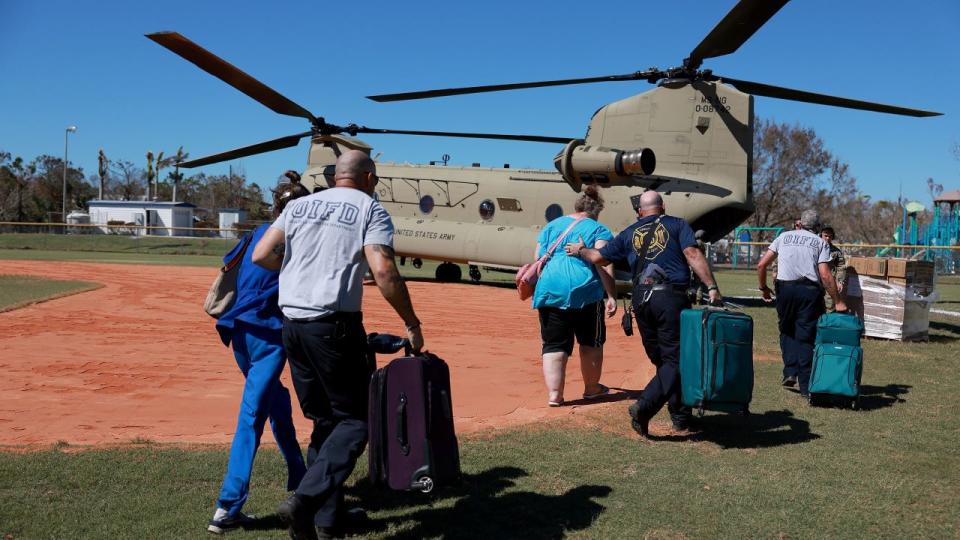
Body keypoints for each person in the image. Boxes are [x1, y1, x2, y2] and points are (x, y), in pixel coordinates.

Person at [252, 150, 424, 540]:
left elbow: (262, 254)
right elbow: (383, 270)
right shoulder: (370, 209)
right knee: (357, 421)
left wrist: (298, 271)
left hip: (293, 326)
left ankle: (326, 522)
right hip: (333, 328)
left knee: (325, 422)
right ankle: (306, 501)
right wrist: (411, 323)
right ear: (368, 178)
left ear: (334, 177)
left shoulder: (299, 206)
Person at [566, 190, 721, 438]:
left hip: (641, 300)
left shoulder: (628, 233)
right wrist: (712, 287)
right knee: (675, 360)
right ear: (663, 207)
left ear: (640, 211)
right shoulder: (677, 224)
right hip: (669, 297)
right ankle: (644, 408)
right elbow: (692, 254)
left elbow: (597, 257)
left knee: (664, 360)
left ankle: (681, 418)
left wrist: (580, 250)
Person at [207, 174, 311, 535]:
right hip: (268, 337)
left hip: (238, 334)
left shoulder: (255, 234)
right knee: (251, 416)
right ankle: (227, 507)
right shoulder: (294, 241)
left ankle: (300, 478)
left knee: (275, 403)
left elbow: (232, 269)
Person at [532, 186, 617, 407]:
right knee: (590, 342)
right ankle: (591, 388)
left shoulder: (551, 226)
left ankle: (554, 395)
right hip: (585, 290)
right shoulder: (599, 229)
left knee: (554, 344)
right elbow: (602, 261)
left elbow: (537, 258)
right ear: (596, 211)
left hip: (550, 289)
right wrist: (611, 295)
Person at [756, 210, 847, 398]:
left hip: (785, 289)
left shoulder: (783, 237)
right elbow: (825, 274)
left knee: (787, 330)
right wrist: (838, 301)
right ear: (817, 227)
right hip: (809, 291)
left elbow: (761, 265)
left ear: (800, 224)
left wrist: (764, 288)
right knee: (806, 335)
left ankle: (790, 371)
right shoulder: (821, 243)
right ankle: (806, 386)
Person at [820, 226, 847, 312]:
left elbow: (841, 266)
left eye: (830, 236)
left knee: (829, 306)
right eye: (825, 235)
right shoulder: (814, 248)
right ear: (821, 235)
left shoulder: (836, 252)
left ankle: (827, 323)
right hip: (815, 281)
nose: (827, 238)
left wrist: (839, 281)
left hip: (829, 282)